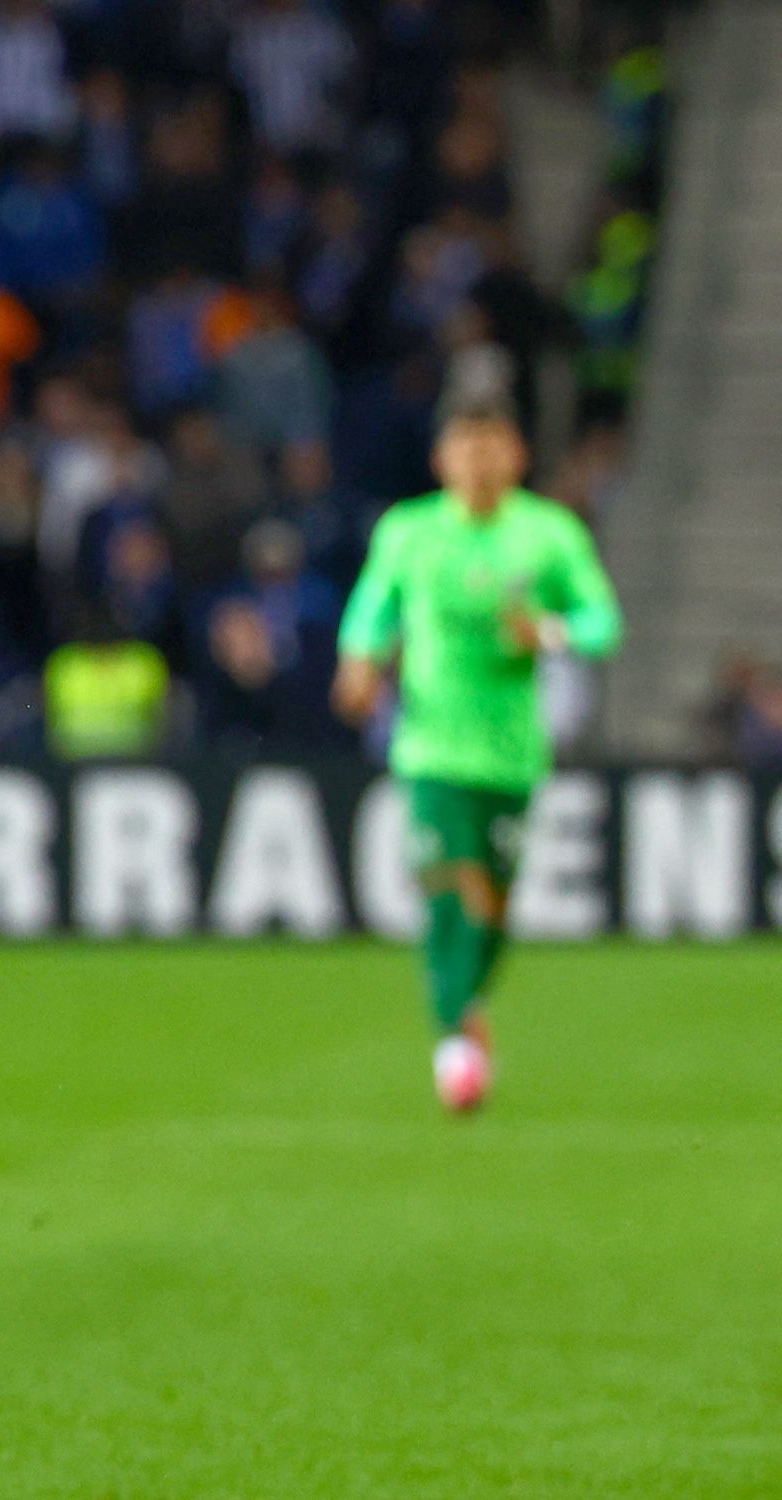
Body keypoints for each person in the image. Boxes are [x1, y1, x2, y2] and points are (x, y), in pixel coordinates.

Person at [334, 397, 622, 1112]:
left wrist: (550, 633)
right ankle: (455, 1047)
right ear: (442, 461)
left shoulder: (547, 535)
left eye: (493, 446)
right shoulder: (409, 533)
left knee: (492, 906)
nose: (480, 461)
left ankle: (467, 1008)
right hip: (431, 747)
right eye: (466, 447)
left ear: (517, 457)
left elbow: (602, 623)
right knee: (446, 889)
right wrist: (360, 663)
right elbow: (374, 606)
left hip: (513, 754)